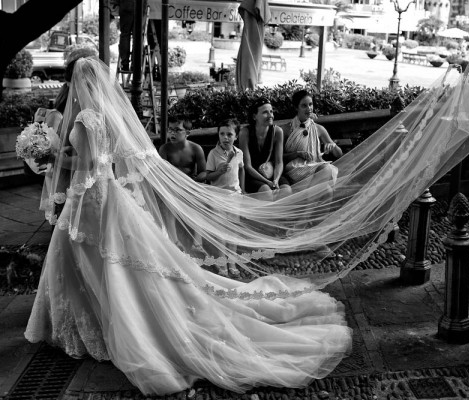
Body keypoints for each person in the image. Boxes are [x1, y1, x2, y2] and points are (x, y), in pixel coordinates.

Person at [25, 57, 352, 395]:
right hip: (107, 195)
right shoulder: (109, 116)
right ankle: (86, 321)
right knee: (109, 262)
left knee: (89, 258)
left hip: (90, 197)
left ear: (79, 84)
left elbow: (87, 163)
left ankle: (85, 323)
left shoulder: (84, 118)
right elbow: (106, 158)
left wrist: (51, 155)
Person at [283, 90, 342, 200]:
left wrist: (332, 145)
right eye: (304, 106)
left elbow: (339, 154)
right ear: (296, 108)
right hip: (295, 171)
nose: (309, 108)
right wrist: (297, 154)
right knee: (327, 169)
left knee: (328, 191)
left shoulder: (318, 128)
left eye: (310, 104)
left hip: (314, 171)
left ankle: (306, 214)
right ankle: (307, 207)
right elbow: (279, 157)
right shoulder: (286, 129)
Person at [204, 118, 244, 278]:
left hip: (235, 196)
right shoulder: (213, 154)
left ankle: (232, 262)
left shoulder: (239, 153)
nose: (225, 137)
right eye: (222, 134)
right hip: (218, 196)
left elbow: (241, 170)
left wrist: (242, 189)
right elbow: (209, 176)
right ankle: (222, 265)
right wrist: (219, 171)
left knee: (233, 232)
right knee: (221, 233)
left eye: (229, 134)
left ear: (236, 136)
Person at [239, 98, 292, 201]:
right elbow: (248, 166)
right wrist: (267, 182)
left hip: (272, 172)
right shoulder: (245, 133)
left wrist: (276, 180)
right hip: (253, 175)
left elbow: (279, 162)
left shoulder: (277, 132)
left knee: (286, 191)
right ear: (254, 116)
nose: (270, 115)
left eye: (271, 111)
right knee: (266, 192)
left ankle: (279, 217)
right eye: (265, 112)